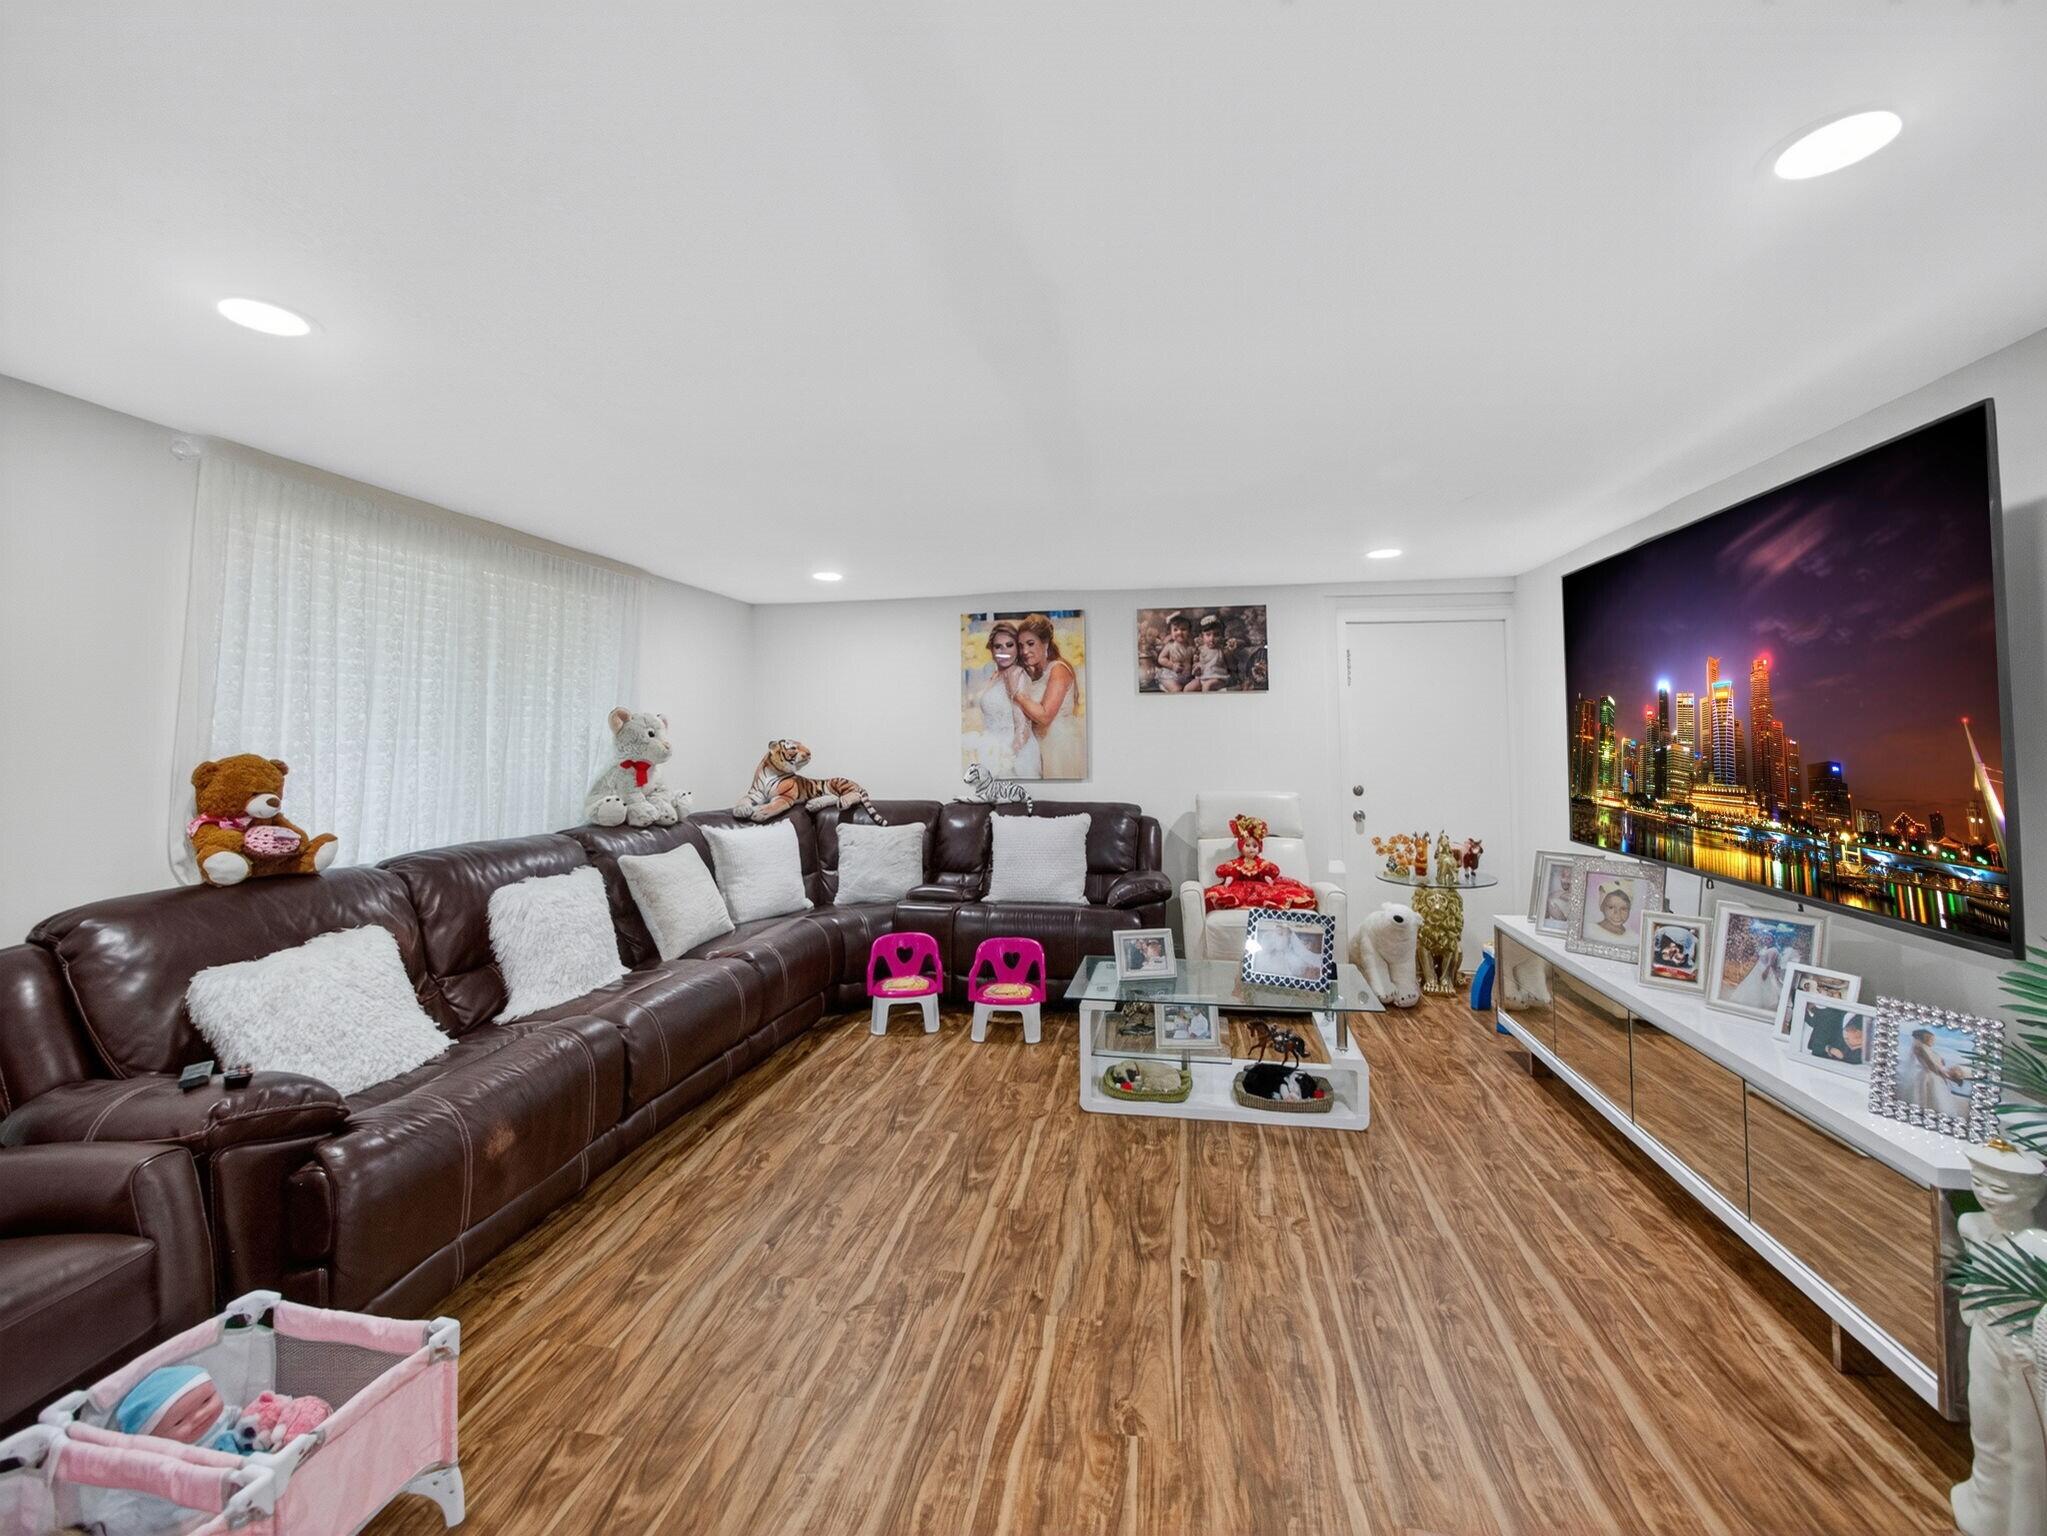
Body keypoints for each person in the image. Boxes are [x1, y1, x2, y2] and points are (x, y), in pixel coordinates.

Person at [1008, 613, 1085, 778]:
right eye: (1021, 646)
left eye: (1030, 644)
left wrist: (1016, 695)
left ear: (1046, 643)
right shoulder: (1035, 672)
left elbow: (1045, 716)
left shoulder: (1058, 669)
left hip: (1059, 746)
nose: (1024, 651)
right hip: (1039, 746)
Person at [964, 622, 1039, 778]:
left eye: (1009, 645)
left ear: (1018, 649)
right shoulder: (994, 676)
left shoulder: (1017, 674)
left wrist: (1006, 760)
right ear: (992, 651)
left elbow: (1022, 728)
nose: (1004, 651)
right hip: (991, 750)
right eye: (998, 647)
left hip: (1014, 755)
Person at [1899, 1025, 1970, 1112]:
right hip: (1928, 1076)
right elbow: (1930, 1064)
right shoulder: (1921, 1048)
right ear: (1926, 1039)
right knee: (1925, 1095)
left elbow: (1935, 1062)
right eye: (1932, 1040)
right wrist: (1943, 1073)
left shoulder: (1928, 1049)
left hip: (1933, 1075)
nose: (1933, 1042)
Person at [1725, 929, 1790, 1009]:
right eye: (1766, 939)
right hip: (1757, 969)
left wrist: (1765, 972)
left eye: (1769, 939)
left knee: (1762, 986)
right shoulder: (1765, 948)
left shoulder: (1773, 950)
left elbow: (1769, 963)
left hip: (1764, 969)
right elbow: (1758, 958)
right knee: (1752, 984)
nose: (1767, 940)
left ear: (1773, 940)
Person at [1153, 612, 1196, 693]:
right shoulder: (1170, 646)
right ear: (1170, 633)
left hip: (1186, 678)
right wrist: (1172, 665)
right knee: (1177, 689)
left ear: (1189, 632)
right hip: (1170, 676)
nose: (1179, 632)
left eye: (1183, 629)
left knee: (1191, 689)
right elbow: (1161, 659)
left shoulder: (1191, 648)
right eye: (1175, 629)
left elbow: (1195, 661)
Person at [1192, 613, 1233, 691]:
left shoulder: (1222, 650)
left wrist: (1229, 655)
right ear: (1202, 637)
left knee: (1207, 686)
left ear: (1221, 636)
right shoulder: (1200, 649)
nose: (1212, 638)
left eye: (1216, 635)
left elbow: (1231, 666)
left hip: (1219, 678)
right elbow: (1196, 663)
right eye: (1208, 635)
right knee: (1188, 688)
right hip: (1203, 677)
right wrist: (1196, 669)